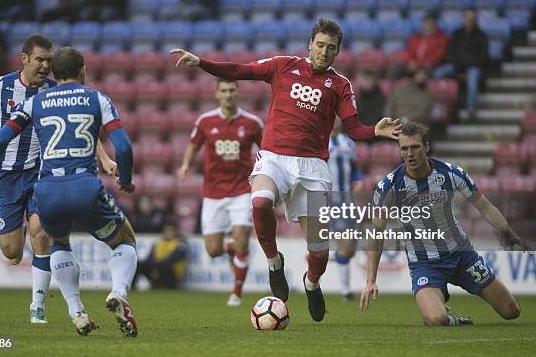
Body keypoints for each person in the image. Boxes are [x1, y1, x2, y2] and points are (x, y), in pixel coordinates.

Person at [170, 17, 401, 322]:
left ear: (338, 51)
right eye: (320, 45)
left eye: (331, 48)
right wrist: (201, 62)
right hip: (274, 157)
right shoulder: (283, 65)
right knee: (260, 201)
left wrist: (376, 131)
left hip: (314, 167)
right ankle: (273, 262)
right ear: (310, 44)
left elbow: (355, 129)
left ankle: (311, 282)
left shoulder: (340, 85)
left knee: (319, 250)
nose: (324, 51)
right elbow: (239, 70)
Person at [0, 47, 139, 337]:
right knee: (125, 241)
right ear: (82, 69)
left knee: (58, 243)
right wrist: (127, 180)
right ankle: (118, 292)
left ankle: (76, 311)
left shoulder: (38, 101)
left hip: (47, 190)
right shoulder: (96, 97)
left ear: (55, 71)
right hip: (84, 186)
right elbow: (125, 147)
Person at [359, 122, 529, 325]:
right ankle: (452, 316)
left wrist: (507, 231)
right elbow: (377, 232)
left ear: (427, 147)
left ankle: (442, 297)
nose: (410, 153)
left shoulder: (450, 173)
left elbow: (484, 206)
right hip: (425, 264)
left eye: (415, 147)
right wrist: (371, 280)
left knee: (511, 311)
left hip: (462, 256)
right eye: (404, 148)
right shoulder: (389, 186)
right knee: (436, 319)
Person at [177, 78, 263, 306]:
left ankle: (236, 292)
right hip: (213, 193)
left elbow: (266, 149)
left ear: (238, 92)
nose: (228, 94)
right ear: (217, 94)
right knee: (213, 250)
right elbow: (193, 145)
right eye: (224, 91)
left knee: (243, 240)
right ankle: (234, 248)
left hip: (242, 190)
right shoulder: (205, 121)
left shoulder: (252, 123)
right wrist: (186, 164)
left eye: (232, 90)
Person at [328, 119, 363, 301]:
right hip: (331, 201)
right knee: (345, 244)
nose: (335, 123)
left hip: (348, 201)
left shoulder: (348, 142)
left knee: (350, 250)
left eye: (337, 119)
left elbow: (355, 168)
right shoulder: (321, 141)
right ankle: (346, 291)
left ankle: (334, 256)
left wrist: (358, 180)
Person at [435, 9, 489, 118]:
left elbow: (483, 57)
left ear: (475, 20)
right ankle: (440, 104)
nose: (470, 21)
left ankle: (471, 107)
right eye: (467, 19)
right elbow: (450, 52)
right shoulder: (456, 34)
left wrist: (468, 63)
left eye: (472, 19)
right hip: (456, 65)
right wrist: (456, 63)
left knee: (472, 78)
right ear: (463, 19)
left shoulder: (482, 36)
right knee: (438, 73)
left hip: (473, 67)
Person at [133, 223, 188, 289]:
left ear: (175, 232)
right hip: (157, 267)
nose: (168, 233)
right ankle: (133, 287)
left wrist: (156, 267)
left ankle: (167, 285)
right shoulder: (158, 243)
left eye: (171, 231)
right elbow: (149, 258)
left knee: (164, 266)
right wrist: (154, 267)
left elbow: (172, 259)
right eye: (167, 230)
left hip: (172, 273)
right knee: (139, 264)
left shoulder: (180, 244)